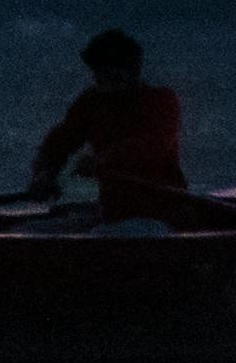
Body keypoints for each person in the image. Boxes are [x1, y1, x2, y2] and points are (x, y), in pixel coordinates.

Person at [28, 27, 196, 221]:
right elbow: (60, 142)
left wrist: (103, 161)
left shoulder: (162, 100)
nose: (100, 79)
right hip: (114, 212)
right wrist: (44, 173)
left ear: (132, 70)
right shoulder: (92, 101)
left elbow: (152, 145)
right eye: (97, 72)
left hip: (162, 213)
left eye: (108, 71)